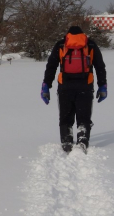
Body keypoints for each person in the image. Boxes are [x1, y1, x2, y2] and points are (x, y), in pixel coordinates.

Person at [41, 25, 107, 153]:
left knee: (65, 116)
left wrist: (46, 86)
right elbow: (100, 66)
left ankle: (66, 140)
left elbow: (51, 66)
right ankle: (83, 139)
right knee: (84, 116)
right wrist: (102, 85)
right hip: (85, 85)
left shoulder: (61, 45)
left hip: (65, 86)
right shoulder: (90, 45)